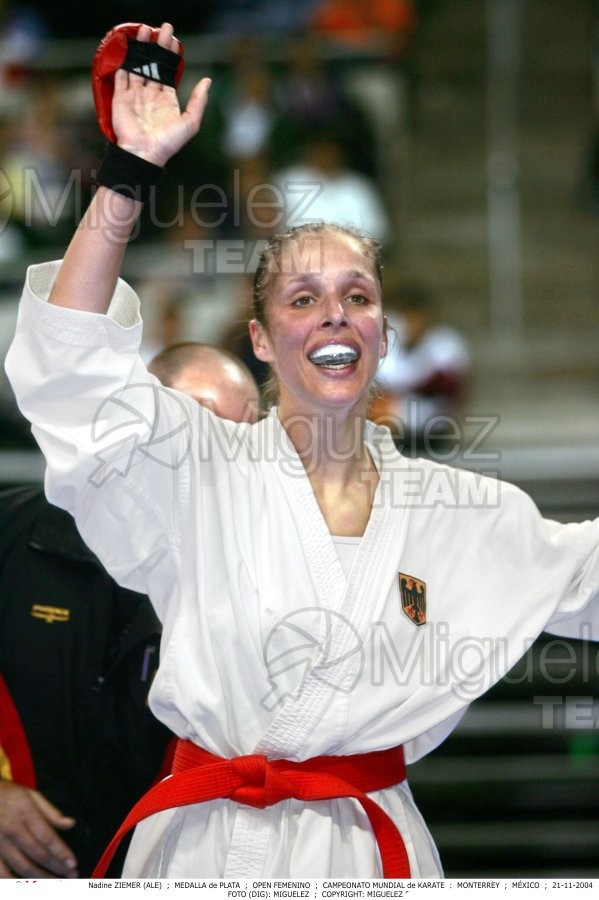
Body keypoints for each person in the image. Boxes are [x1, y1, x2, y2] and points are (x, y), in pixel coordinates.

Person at [4, 23, 598, 879]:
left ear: (382, 334)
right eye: (302, 297)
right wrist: (128, 176)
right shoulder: (197, 470)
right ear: (258, 338)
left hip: (362, 850)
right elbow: (69, 363)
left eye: (357, 295)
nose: (333, 312)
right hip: (202, 846)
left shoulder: (462, 513)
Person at [0, 338, 260, 879]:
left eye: (235, 442)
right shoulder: (12, 532)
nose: (208, 457)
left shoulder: (263, 582)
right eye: (191, 426)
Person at [371, 282, 471, 456]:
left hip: (432, 425)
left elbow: (427, 382)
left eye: (415, 317)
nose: (411, 323)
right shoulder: (392, 341)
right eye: (406, 317)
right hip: (396, 424)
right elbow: (382, 377)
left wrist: (393, 391)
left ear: (426, 317)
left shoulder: (447, 345)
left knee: (384, 408)